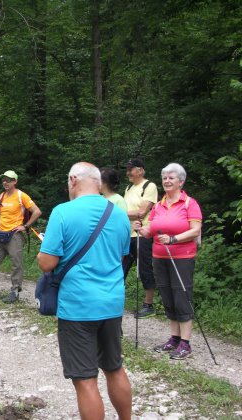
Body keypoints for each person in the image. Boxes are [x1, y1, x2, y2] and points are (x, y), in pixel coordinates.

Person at [37, 162, 132, 419]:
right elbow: (122, 256)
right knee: (114, 368)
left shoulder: (62, 212)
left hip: (78, 306)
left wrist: (46, 245)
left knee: (85, 379)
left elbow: (47, 263)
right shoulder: (119, 213)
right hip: (112, 303)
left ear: (73, 179)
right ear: (98, 182)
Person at [134, 163, 202, 360]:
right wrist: (140, 228)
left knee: (182, 296)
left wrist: (174, 239)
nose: (167, 181)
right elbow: (149, 232)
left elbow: (195, 230)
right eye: (164, 178)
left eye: (171, 178)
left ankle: (185, 343)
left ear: (181, 181)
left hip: (182, 257)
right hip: (160, 256)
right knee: (167, 296)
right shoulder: (158, 205)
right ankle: (174, 338)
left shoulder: (189, 203)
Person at [0, 170, 41, 304]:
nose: (5, 182)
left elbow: (37, 212)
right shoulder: (2, 196)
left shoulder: (22, 195)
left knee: (16, 264)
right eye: (3, 180)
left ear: (15, 181)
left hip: (14, 235)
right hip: (0, 234)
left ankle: (15, 291)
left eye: (9, 180)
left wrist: (25, 226)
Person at [123, 158, 158, 318]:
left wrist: (116, 214)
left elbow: (142, 212)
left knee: (144, 268)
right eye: (127, 169)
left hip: (142, 234)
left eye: (131, 169)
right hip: (126, 234)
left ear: (141, 170)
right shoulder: (128, 187)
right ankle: (113, 300)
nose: (128, 172)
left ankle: (148, 304)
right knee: (119, 268)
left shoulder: (149, 186)